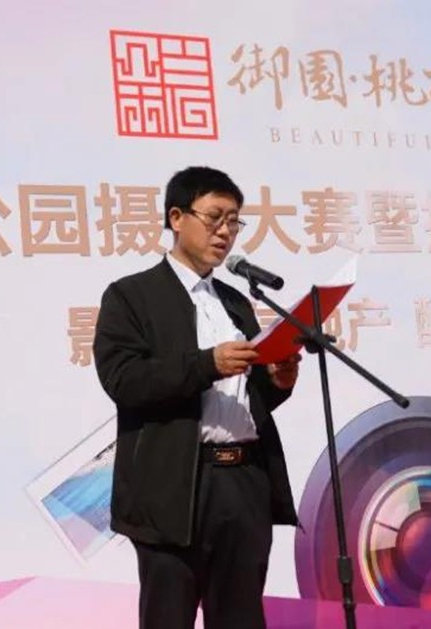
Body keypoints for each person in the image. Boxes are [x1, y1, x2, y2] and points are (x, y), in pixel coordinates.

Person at [93, 166, 302, 629]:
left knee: (241, 619)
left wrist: (277, 381)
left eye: (234, 221)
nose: (225, 232)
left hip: (244, 483)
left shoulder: (235, 301)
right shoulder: (131, 296)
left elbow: (245, 400)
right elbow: (124, 380)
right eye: (214, 217)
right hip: (174, 490)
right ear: (176, 217)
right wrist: (207, 363)